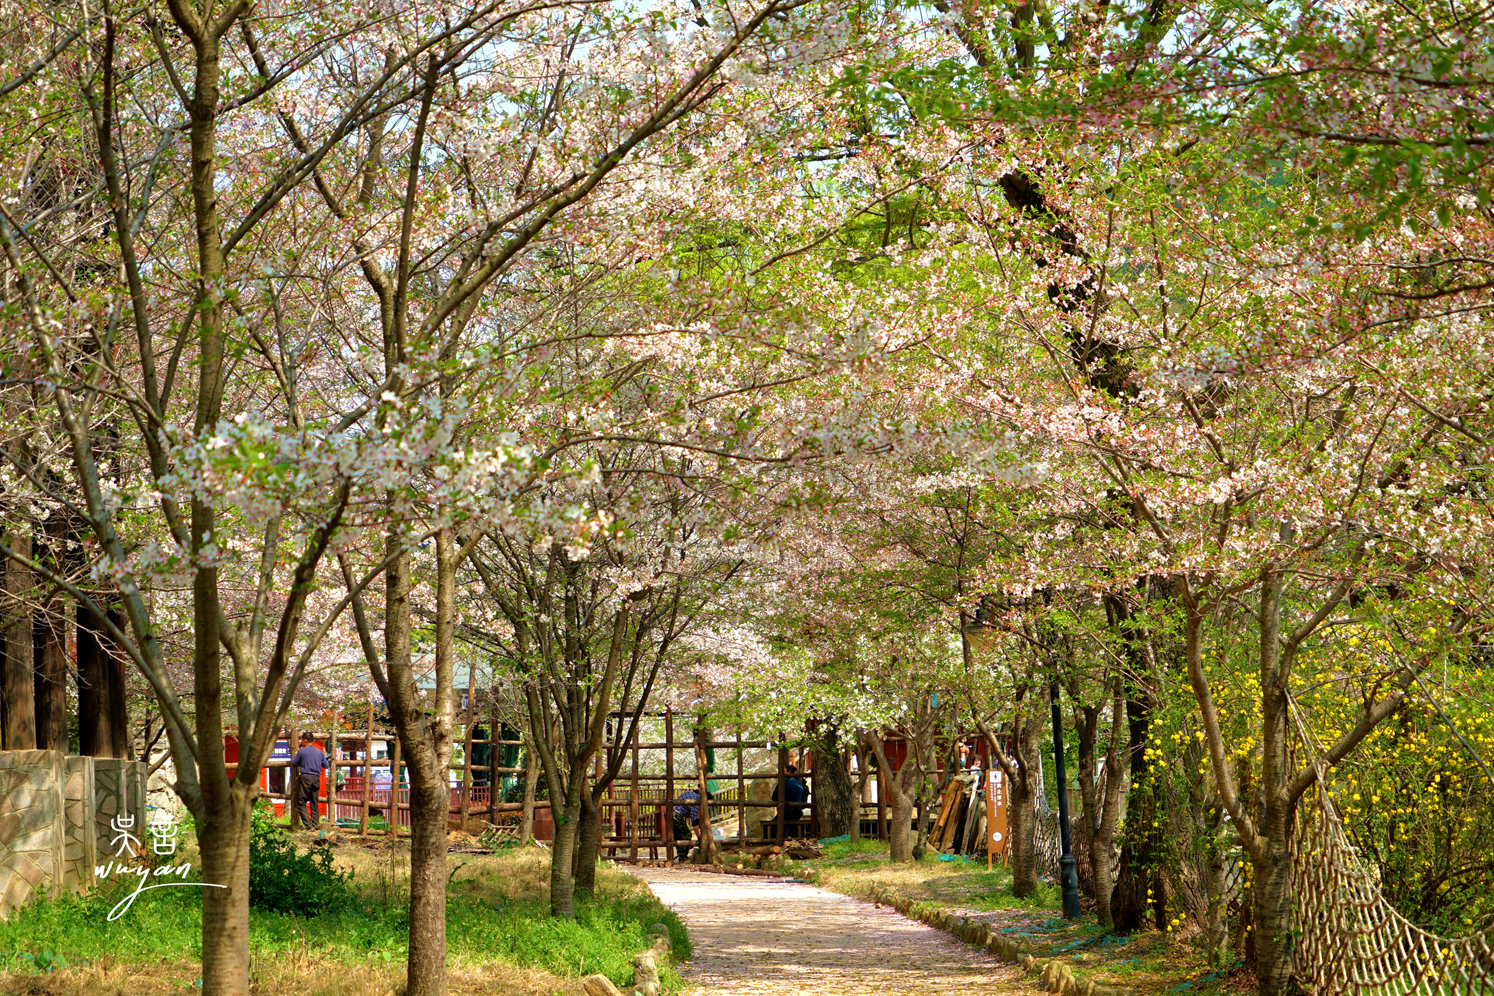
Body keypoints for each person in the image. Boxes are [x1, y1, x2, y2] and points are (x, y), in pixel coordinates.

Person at [291, 732, 329, 829]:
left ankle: (308, 825)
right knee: (314, 802)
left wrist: (296, 754)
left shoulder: (302, 751)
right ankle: (315, 824)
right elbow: (326, 765)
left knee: (301, 802)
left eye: (301, 740)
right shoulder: (319, 751)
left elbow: (294, 763)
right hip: (316, 778)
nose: (301, 742)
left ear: (305, 740)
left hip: (305, 778)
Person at [772, 765, 808, 833]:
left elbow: (774, 798)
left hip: (786, 812)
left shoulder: (783, 783)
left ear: (789, 772)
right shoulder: (799, 784)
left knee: (772, 828)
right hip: (797, 812)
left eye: (784, 771)